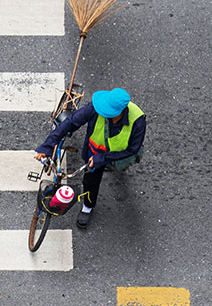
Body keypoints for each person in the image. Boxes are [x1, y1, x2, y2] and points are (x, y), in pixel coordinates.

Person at [34, 87, 145, 229]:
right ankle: (87, 206)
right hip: (94, 152)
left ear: (120, 112)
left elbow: (132, 149)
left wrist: (104, 158)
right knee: (91, 181)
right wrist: (48, 146)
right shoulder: (95, 107)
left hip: (118, 155)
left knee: (120, 167)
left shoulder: (138, 121)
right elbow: (70, 122)